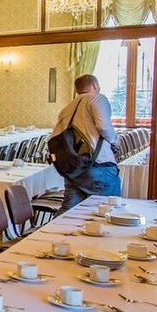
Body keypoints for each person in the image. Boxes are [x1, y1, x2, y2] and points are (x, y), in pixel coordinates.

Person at [52, 73, 121, 211]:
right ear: (95, 85)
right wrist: (115, 140)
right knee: (108, 209)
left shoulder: (67, 108)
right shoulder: (97, 99)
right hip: (97, 164)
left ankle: (54, 226)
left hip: (74, 168)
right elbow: (103, 126)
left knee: (69, 211)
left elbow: (56, 135)